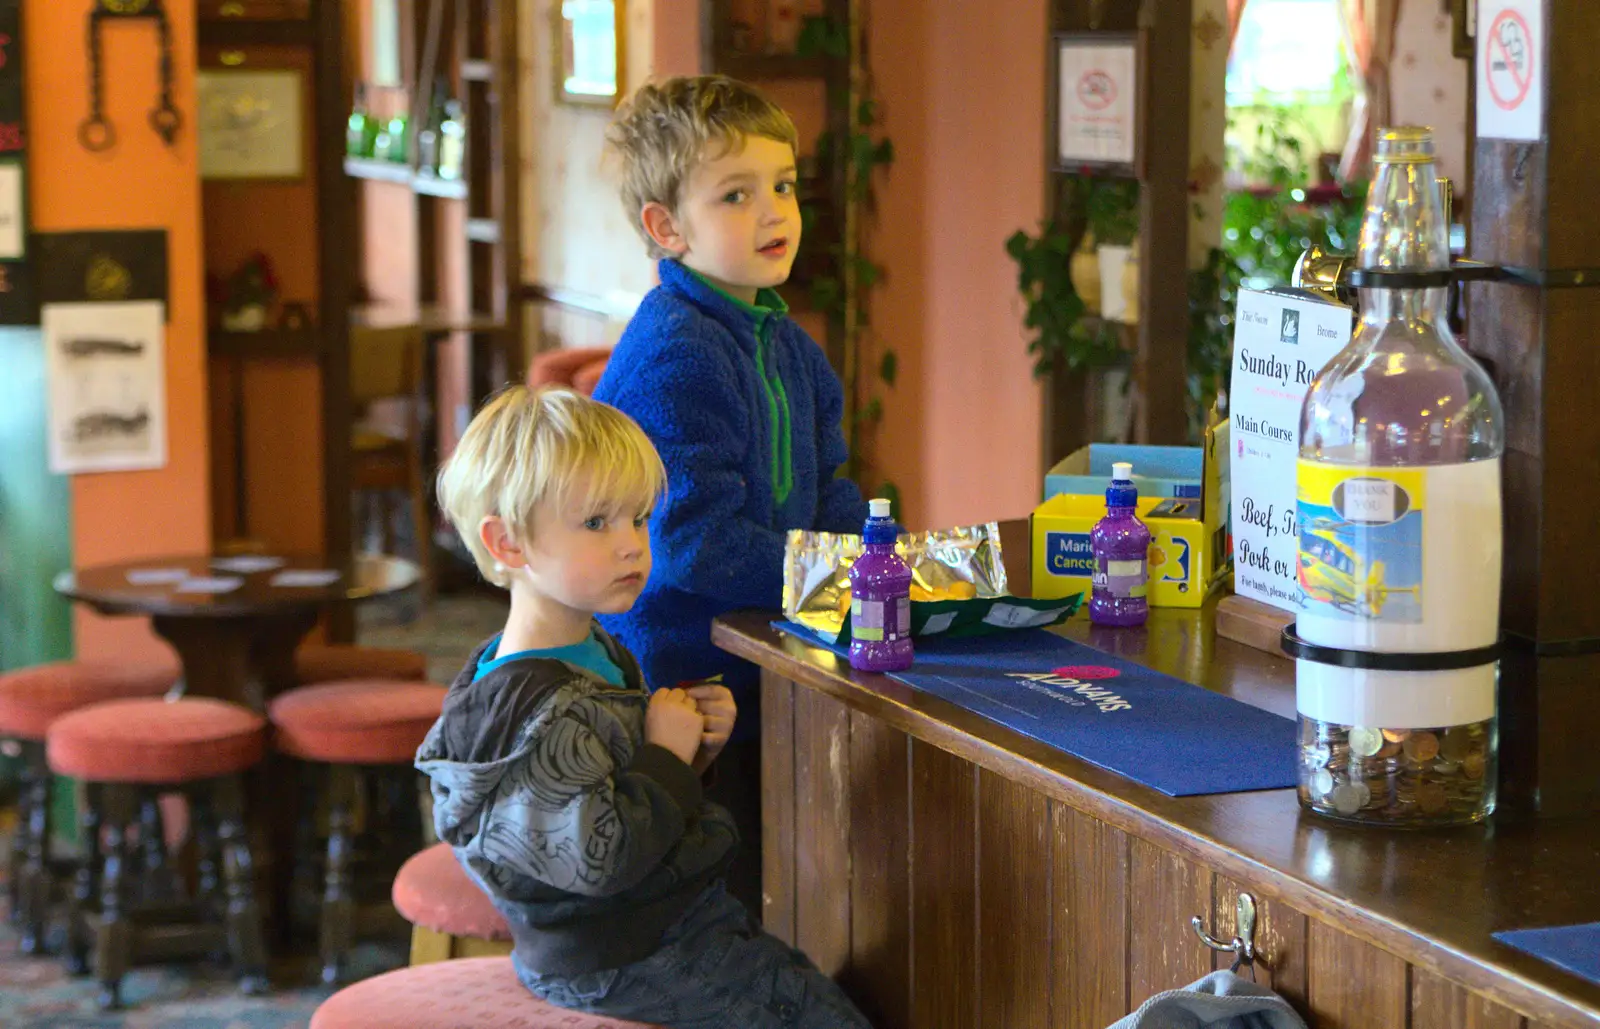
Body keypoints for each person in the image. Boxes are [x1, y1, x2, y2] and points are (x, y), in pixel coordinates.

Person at [415, 385, 872, 1028]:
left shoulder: (591, 648)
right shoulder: (528, 708)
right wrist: (664, 756)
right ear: (507, 543)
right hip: (619, 954)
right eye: (597, 523)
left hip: (662, 925)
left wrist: (691, 752)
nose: (632, 545)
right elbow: (599, 858)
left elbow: (608, 781)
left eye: (638, 519)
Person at [594, 75, 868, 912]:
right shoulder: (676, 355)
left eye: (783, 186)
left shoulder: (790, 346)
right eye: (736, 195)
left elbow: (832, 487)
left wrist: (869, 558)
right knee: (716, 901)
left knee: (786, 890)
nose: (774, 212)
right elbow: (693, 542)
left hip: (769, 665)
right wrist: (839, 577)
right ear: (666, 227)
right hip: (682, 691)